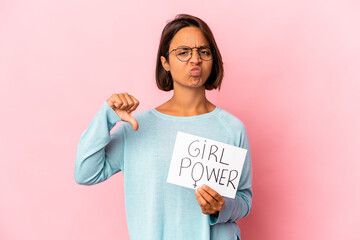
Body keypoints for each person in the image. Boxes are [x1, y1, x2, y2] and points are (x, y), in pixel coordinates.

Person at [75, 13, 252, 240]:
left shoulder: (233, 128)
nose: (195, 59)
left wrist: (221, 208)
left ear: (213, 60)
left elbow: (244, 200)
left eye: (204, 52)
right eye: (183, 52)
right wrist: (106, 117)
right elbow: (85, 173)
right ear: (165, 62)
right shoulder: (136, 127)